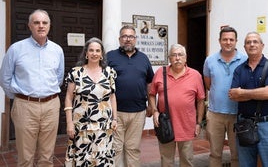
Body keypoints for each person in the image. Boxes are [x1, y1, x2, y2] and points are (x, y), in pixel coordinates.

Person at [0, 9, 65, 166]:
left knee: (47, 155)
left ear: (49, 25)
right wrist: (20, 98)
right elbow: (5, 78)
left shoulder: (57, 50)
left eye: (44, 22)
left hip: (51, 105)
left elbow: (59, 78)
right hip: (25, 106)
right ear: (29, 26)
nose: (41, 26)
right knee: (25, 156)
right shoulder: (16, 49)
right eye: (36, 22)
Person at [64, 37, 118, 167]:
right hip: (82, 126)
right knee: (83, 159)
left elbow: (112, 97)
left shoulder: (110, 72)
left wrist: (114, 119)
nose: (94, 53)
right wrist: (69, 123)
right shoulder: (76, 73)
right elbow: (68, 98)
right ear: (86, 53)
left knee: (102, 160)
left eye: (98, 51)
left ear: (101, 54)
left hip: (104, 126)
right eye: (91, 50)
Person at [149, 43, 205, 167]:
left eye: (180, 55)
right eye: (174, 55)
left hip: (186, 125)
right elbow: (152, 94)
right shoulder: (160, 72)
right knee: (166, 161)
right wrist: (154, 111)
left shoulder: (195, 75)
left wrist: (198, 123)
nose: (177, 58)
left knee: (187, 160)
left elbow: (201, 100)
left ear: (185, 58)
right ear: (169, 58)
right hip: (165, 125)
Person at [107, 25, 154, 167]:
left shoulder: (144, 58)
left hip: (138, 112)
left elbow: (149, 83)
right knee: (115, 149)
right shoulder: (109, 57)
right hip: (115, 112)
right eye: (124, 36)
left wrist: (151, 105)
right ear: (120, 39)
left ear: (135, 39)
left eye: (131, 36)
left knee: (133, 148)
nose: (128, 39)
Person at [203, 26, 247, 167]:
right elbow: (209, 84)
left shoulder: (245, 60)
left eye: (231, 39)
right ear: (219, 41)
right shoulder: (210, 60)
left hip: (238, 114)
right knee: (215, 153)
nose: (228, 42)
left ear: (236, 41)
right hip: (215, 114)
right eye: (225, 39)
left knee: (237, 153)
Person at [229, 31, 268, 167]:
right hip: (244, 124)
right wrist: (258, 93)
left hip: (265, 125)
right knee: (246, 164)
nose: (252, 44)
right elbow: (233, 95)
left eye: (255, 41)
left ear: (262, 45)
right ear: (244, 47)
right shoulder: (239, 70)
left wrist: (243, 93)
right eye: (248, 42)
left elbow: (267, 93)